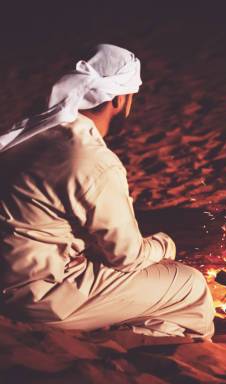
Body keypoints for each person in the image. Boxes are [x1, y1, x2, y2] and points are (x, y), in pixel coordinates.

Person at [0, 44, 214, 339]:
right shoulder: (92, 159)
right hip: (36, 296)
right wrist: (167, 245)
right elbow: (127, 257)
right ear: (119, 100)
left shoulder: (35, 134)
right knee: (190, 284)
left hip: (10, 276)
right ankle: (140, 344)